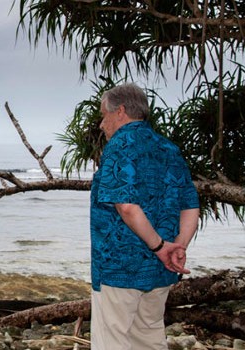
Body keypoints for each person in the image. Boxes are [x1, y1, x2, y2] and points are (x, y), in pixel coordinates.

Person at [90, 83, 200, 350]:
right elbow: (190, 206)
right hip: (159, 269)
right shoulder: (169, 149)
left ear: (121, 112)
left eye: (104, 115)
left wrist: (161, 247)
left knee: (111, 341)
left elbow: (126, 206)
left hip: (119, 267)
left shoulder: (120, 146)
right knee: (149, 338)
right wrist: (177, 247)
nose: (102, 125)